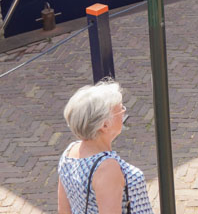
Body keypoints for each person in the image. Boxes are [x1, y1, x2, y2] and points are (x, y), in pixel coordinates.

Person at [57, 80, 153, 214]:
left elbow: (63, 210)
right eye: (120, 110)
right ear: (105, 125)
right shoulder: (106, 168)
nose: (124, 112)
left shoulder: (69, 152)